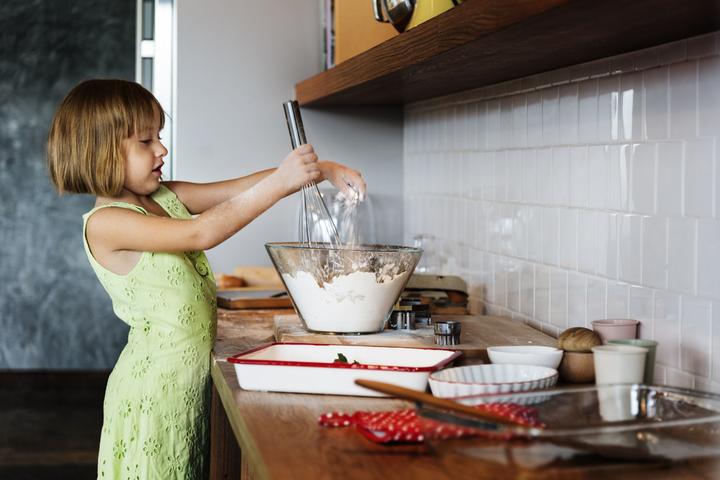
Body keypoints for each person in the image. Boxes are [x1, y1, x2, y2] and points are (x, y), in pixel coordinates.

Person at [46, 79, 365, 479]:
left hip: (186, 388)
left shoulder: (161, 197)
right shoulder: (107, 223)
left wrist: (320, 171)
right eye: (146, 141)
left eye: (158, 137)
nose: (162, 149)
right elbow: (201, 233)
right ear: (101, 153)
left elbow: (238, 189)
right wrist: (283, 180)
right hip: (154, 395)